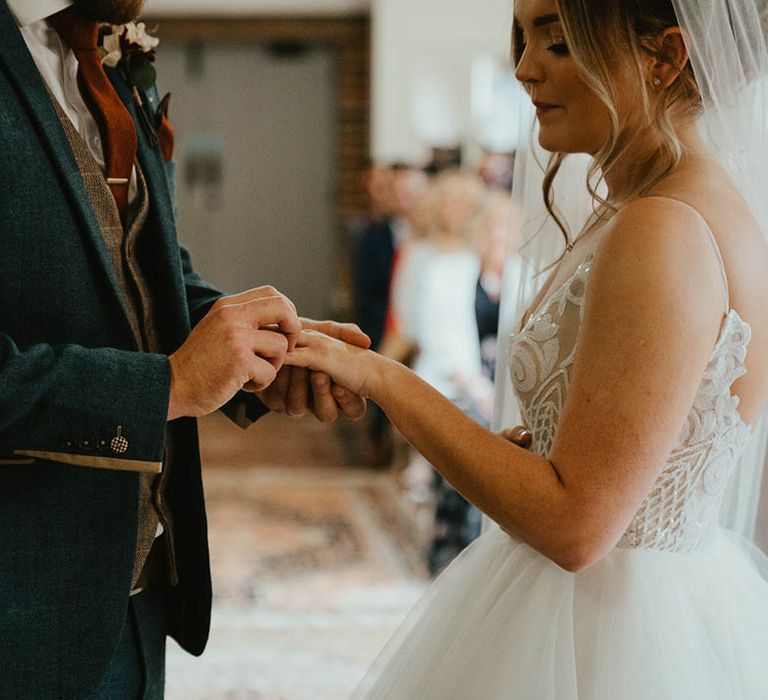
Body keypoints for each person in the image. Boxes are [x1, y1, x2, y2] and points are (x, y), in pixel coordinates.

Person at [287, 0, 768, 696]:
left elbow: (576, 527)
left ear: (665, 56)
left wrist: (378, 375)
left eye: (559, 41)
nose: (523, 68)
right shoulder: (691, 206)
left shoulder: (663, 227)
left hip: (613, 636)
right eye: (522, 37)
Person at [0, 0, 368, 697]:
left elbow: (138, 259)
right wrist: (165, 387)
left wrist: (256, 351)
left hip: (137, 602)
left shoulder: (98, 50)